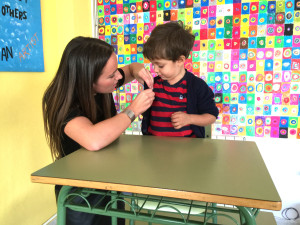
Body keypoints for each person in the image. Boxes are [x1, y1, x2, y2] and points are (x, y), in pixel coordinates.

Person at [42, 36, 155, 225]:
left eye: (115, 71)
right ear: (87, 79)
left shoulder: (101, 84)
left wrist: (137, 71)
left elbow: (129, 69)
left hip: (108, 180)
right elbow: (93, 139)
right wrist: (133, 109)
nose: (118, 78)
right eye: (111, 76)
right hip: (79, 191)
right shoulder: (62, 100)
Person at [142, 22, 219, 138]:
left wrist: (189, 118)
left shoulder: (197, 86)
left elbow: (211, 116)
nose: (155, 70)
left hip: (187, 149)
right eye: (153, 64)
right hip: (155, 147)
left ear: (180, 60)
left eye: (160, 65)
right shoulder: (152, 84)